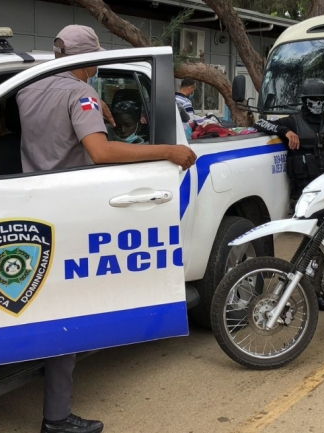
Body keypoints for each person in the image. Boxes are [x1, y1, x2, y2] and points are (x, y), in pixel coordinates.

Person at [17, 24, 196, 433]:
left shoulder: (29, 87)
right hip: (73, 207)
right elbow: (100, 151)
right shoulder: (79, 94)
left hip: (32, 202)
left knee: (46, 299)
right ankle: (56, 418)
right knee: (68, 310)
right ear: (88, 59)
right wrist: (168, 151)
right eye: (96, 58)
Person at [253, 79, 324, 199]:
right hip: (303, 193)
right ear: (305, 100)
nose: (318, 102)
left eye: (321, 98)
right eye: (314, 99)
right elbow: (259, 123)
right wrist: (285, 131)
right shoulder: (293, 122)